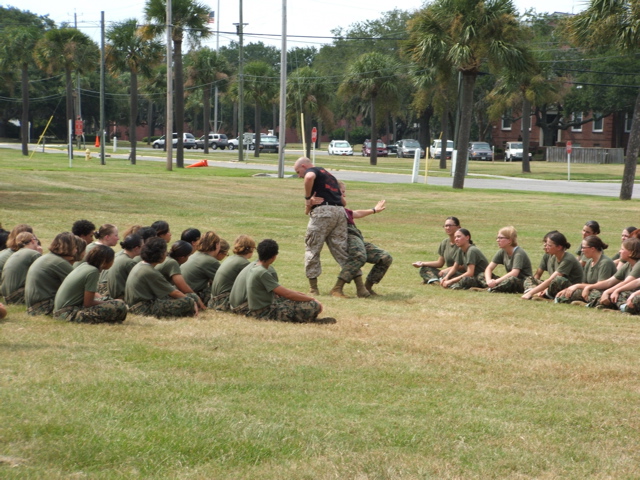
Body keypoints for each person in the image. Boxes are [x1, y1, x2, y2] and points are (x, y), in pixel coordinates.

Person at [293, 156, 348, 295]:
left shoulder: (312, 171)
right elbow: (343, 201)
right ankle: (360, 287)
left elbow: (308, 177)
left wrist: (307, 199)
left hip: (324, 213)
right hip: (340, 213)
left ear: (304, 166)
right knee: (341, 251)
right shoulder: (330, 176)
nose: (299, 176)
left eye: (298, 172)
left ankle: (313, 288)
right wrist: (309, 205)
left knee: (312, 248)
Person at [328, 181, 392, 298]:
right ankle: (337, 288)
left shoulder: (342, 209)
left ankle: (366, 288)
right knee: (359, 256)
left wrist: (374, 210)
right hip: (347, 237)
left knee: (385, 257)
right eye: (342, 192)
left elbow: (355, 213)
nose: (345, 195)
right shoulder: (329, 207)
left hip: (357, 237)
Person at [246, 239, 334, 323]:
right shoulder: (262, 273)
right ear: (274, 256)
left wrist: (300, 295)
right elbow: (287, 294)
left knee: (296, 301)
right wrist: (312, 299)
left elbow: (282, 292)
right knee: (314, 306)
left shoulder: (256, 268)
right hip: (265, 313)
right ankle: (308, 319)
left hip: (260, 310)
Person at [125, 237, 198, 318]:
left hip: (137, 305)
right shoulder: (150, 272)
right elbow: (174, 293)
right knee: (188, 301)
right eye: (164, 252)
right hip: (142, 309)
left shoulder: (140, 265)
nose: (166, 254)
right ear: (159, 254)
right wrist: (192, 302)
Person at [53, 245, 127, 323]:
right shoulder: (93, 272)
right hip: (68, 314)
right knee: (120, 306)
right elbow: (88, 303)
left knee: (110, 301)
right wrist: (109, 303)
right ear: (105, 261)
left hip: (61, 311)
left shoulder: (85, 265)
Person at [24, 232, 77, 316]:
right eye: (75, 246)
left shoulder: (48, 257)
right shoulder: (59, 262)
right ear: (70, 247)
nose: (76, 249)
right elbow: (78, 287)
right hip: (44, 307)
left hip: (34, 307)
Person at [521, 231, 583, 300]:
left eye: (549, 245)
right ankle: (538, 294)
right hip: (555, 286)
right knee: (530, 279)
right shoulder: (554, 257)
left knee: (558, 279)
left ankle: (543, 295)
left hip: (571, 289)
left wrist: (530, 293)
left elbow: (552, 280)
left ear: (559, 247)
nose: (546, 247)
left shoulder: (568, 259)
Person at [556, 235, 616, 305]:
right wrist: (568, 289)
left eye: (583, 248)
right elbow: (584, 283)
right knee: (569, 292)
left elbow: (601, 285)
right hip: (590, 290)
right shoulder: (589, 262)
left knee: (594, 294)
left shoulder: (605, 263)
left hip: (602, 292)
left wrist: (577, 286)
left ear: (592, 249)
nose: (581, 250)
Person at [155, 240, 206, 311]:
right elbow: (183, 287)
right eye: (189, 255)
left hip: (158, 293)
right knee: (191, 297)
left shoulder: (167, 259)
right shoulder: (172, 263)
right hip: (158, 297)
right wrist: (197, 298)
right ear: (182, 257)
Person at [210, 235, 256, 311]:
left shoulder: (231, 258)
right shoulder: (243, 263)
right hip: (224, 301)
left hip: (214, 301)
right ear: (250, 249)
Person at [483, 226, 533, 293]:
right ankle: (490, 286)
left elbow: (514, 273)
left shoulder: (519, 253)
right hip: (509, 279)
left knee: (511, 280)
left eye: (501, 238)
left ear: (510, 240)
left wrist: (495, 282)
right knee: (481, 275)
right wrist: (489, 281)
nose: (497, 240)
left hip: (522, 282)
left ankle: (492, 288)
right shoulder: (502, 251)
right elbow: (489, 268)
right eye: (497, 238)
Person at [412, 216, 461, 284]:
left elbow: (464, 266)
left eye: (450, 225)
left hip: (459, 273)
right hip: (447, 273)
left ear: (458, 227)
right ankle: (436, 281)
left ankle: (434, 280)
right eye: (446, 226)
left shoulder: (462, 243)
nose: (448, 228)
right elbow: (440, 263)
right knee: (425, 269)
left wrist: (447, 270)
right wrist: (422, 263)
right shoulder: (445, 242)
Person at [181, 231, 222, 305]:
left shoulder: (194, 255)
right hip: (194, 295)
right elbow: (223, 282)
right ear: (216, 245)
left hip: (183, 293)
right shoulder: (210, 261)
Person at [0, 232, 42, 304]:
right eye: (36, 240)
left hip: (6, 296)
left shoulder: (16, 253)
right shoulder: (33, 254)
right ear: (32, 240)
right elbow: (42, 275)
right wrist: (40, 254)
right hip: (17, 296)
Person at [107, 234, 143, 300]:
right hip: (121, 298)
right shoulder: (129, 262)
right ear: (136, 248)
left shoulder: (118, 257)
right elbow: (140, 284)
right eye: (142, 246)